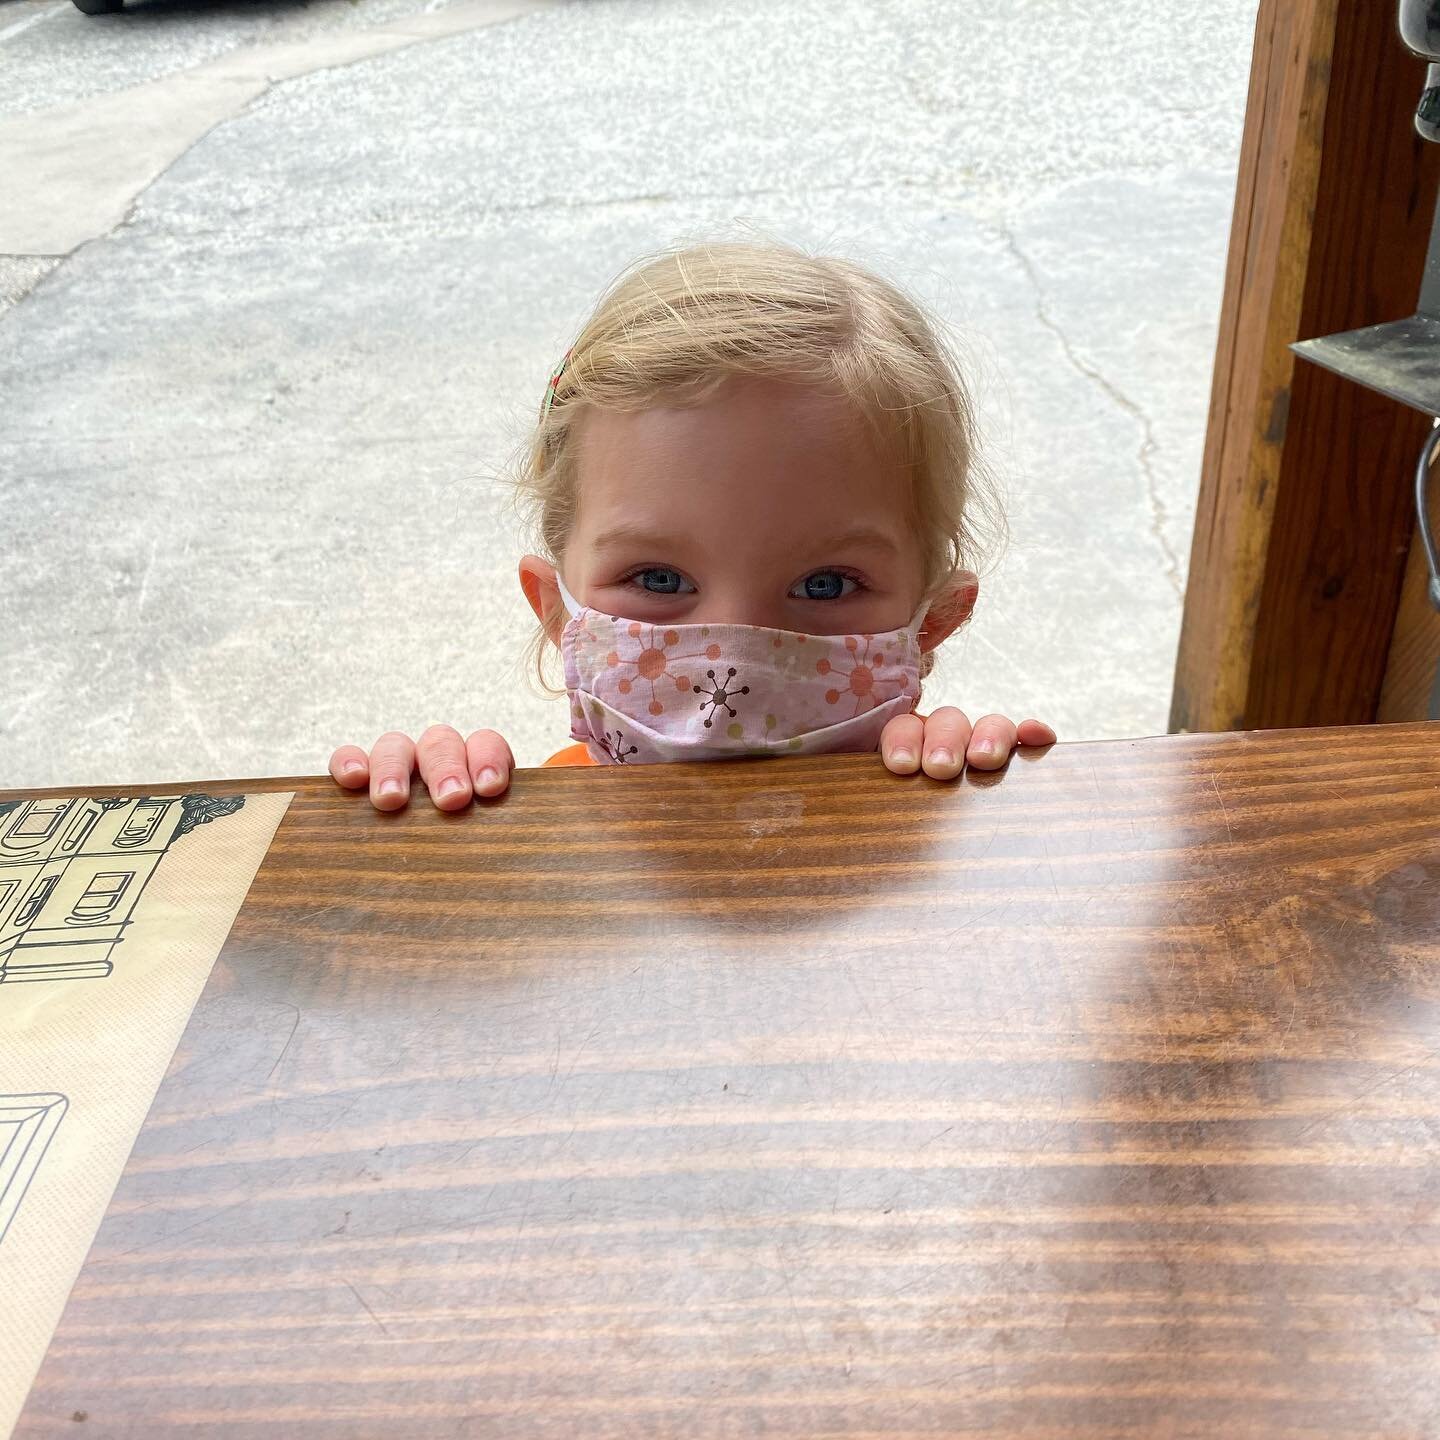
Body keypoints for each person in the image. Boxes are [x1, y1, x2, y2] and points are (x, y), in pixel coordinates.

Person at [329, 238, 1056, 811]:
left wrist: (967, 804)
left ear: (931, 625)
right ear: (557, 611)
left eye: (826, 584)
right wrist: (434, 817)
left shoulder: (922, 807)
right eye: (658, 578)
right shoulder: (542, 819)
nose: (731, 658)